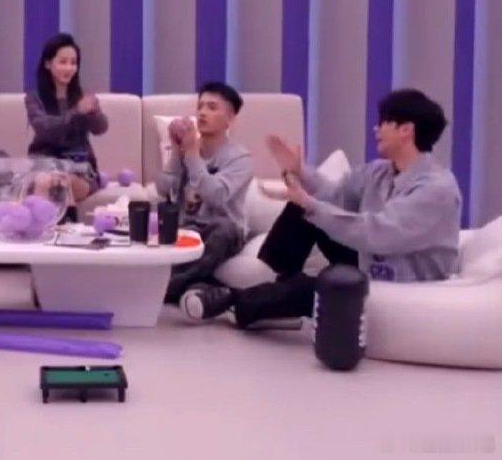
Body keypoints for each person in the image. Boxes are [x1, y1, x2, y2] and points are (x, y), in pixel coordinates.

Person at [180, 88, 461, 324]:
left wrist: (311, 204)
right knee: (303, 212)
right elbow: (336, 195)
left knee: (316, 285)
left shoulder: (437, 190)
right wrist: (300, 171)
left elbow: (377, 233)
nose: (376, 129)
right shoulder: (379, 172)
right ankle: (275, 287)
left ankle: (235, 299)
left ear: (406, 130)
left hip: (401, 275)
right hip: (370, 256)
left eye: (383, 123)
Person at [157, 82, 253, 305]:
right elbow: (163, 189)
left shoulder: (240, 158)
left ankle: (165, 289)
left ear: (230, 118)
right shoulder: (190, 148)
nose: (202, 113)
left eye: (212, 107)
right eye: (200, 106)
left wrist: (191, 155)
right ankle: (199, 287)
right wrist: (176, 151)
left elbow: (216, 196)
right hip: (187, 229)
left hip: (223, 232)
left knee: (224, 229)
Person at [25, 33, 108, 220]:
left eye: (73, 63)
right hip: (44, 165)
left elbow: (101, 128)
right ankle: (63, 224)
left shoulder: (82, 95)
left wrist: (94, 112)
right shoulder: (34, 99)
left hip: (80, 170)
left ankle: (46, 229)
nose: (69, 68)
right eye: (63, 62)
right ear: (48, 64)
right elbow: (44, 129)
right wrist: (76, 111)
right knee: (46, 180)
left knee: (55, 181)